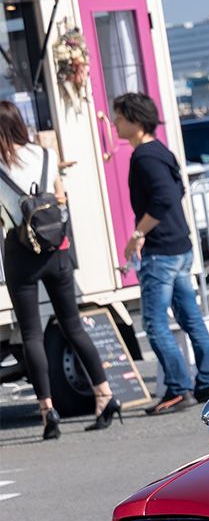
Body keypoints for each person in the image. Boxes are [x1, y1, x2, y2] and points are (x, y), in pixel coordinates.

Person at [0, 101, 120, 437]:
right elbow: (60, 197)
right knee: (73, 325)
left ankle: (47, 412)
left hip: (20, 252)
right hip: (57, 250)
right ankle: (105, 395)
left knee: (32, 335)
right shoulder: (45, 155)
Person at [112, 92, 209, 415]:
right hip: (180, 246)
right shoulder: (160, 151)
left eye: (119, 117)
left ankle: (178, 388)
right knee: (190, 318)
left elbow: (163, 197)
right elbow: (178, 190)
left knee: (156, 323)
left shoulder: (144, 156)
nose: (115, 123)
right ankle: (208, 381)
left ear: (134, 120)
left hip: (161, 253)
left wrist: (138, 234)